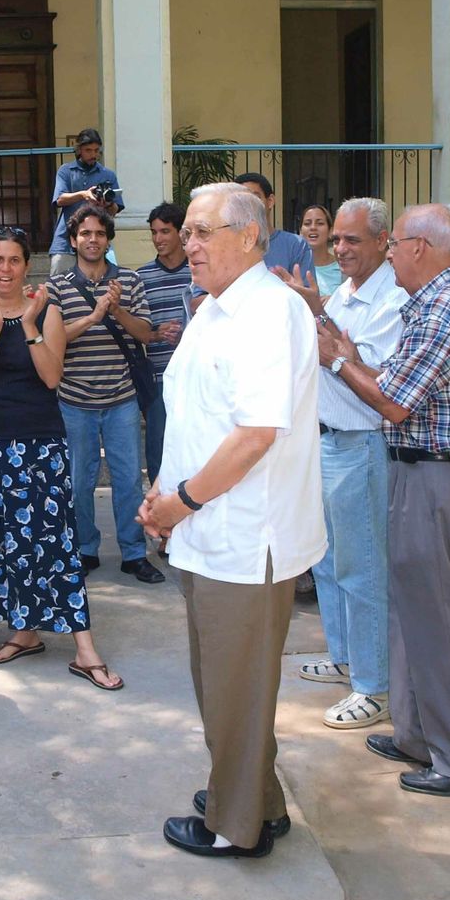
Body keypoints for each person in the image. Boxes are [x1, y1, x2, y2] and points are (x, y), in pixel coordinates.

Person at [138, 183, 324, 858]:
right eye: (186, 232)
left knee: (233, 692)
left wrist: (180, 501)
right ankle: (255, 800)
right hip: (204, 530)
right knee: (227, 686)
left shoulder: (269, 313)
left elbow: (254, 435)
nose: (187, 244)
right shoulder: (217, 310)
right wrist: (162, 491)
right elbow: (193, 417)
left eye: (201, 231)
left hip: (246, 537)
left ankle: (234, 829)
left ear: (249, 236)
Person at [316, 202, 450, 798]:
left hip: (438, 480)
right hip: (421, 473)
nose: (389, 251)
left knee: (438, 623)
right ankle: (419, 736)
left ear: (421, 247)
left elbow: (395, 401)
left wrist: (340, 359)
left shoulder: (447, 305)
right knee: (410, 613)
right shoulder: (435, 302)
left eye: (395, 242)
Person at [0, 227, 123, 689]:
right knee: (5, 542)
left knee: (54, 543)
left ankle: (85, 650)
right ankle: (25, 631)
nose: (5, 269)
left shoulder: (47, 311)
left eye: (13, 260)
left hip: (39, 446)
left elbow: (51, 377)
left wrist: (27, 325)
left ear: (25, 266)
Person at [303, 198, 409, 732]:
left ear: (382, 241)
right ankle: (345, 657)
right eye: (336, 240)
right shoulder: (345, 291)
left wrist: (335, 354)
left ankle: (374, 686)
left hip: (361, 444)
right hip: (325, 443)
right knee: (326, 561)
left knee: (361, 569)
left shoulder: (391, 299)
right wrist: (315, 308)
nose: (339, 248)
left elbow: (382, 384)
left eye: (351, 240)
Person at [47, 204, 163, 584]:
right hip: (74, 400)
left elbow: (146, 333)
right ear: (73, 240)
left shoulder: (128, 281)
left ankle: (133, 553)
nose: (92, 240)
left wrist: (115, 312)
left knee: (129, 479)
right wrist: (93, 317)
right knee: (79, 480)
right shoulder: (57, 287)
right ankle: (84, 549)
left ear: (108, 239)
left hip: (122, 399)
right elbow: (52, 340)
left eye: (99, 234)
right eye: (85, 234)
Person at [136, 202, 191, 484]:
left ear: (181, 234)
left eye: (165, 231)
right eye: (154, 232)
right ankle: (160, 518)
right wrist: (157, 333)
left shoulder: (198, 272)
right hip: (158, 378)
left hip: (195, 377)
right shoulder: (142, 276)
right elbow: (138, 327)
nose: (158, 238)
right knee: (158, 449)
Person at [49, 128, 124, 275]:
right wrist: (83, 195)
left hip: (97, 240)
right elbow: (59, 199)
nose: (93, 155)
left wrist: (107, 204)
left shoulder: (107, 175)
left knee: (102, 284)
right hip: (65, 243)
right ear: (79, 150)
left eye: (96, 150)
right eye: (88, 150)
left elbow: (115, 210)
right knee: (58, 286)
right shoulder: (66, 171)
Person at [232, 173, 313, 280]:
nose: (248, 205)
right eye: (241, 200)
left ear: (270, 201)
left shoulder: (296, 245)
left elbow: (308, 293)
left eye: (255, 198)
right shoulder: (225, 246)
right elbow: (204, 294)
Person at [300, 204, 344, 297]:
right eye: (307, 223)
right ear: (300, 232)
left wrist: (335, 300)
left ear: (331, 231)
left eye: (320, 223)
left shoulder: (343, 267)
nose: (313, 228)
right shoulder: (294, 268)